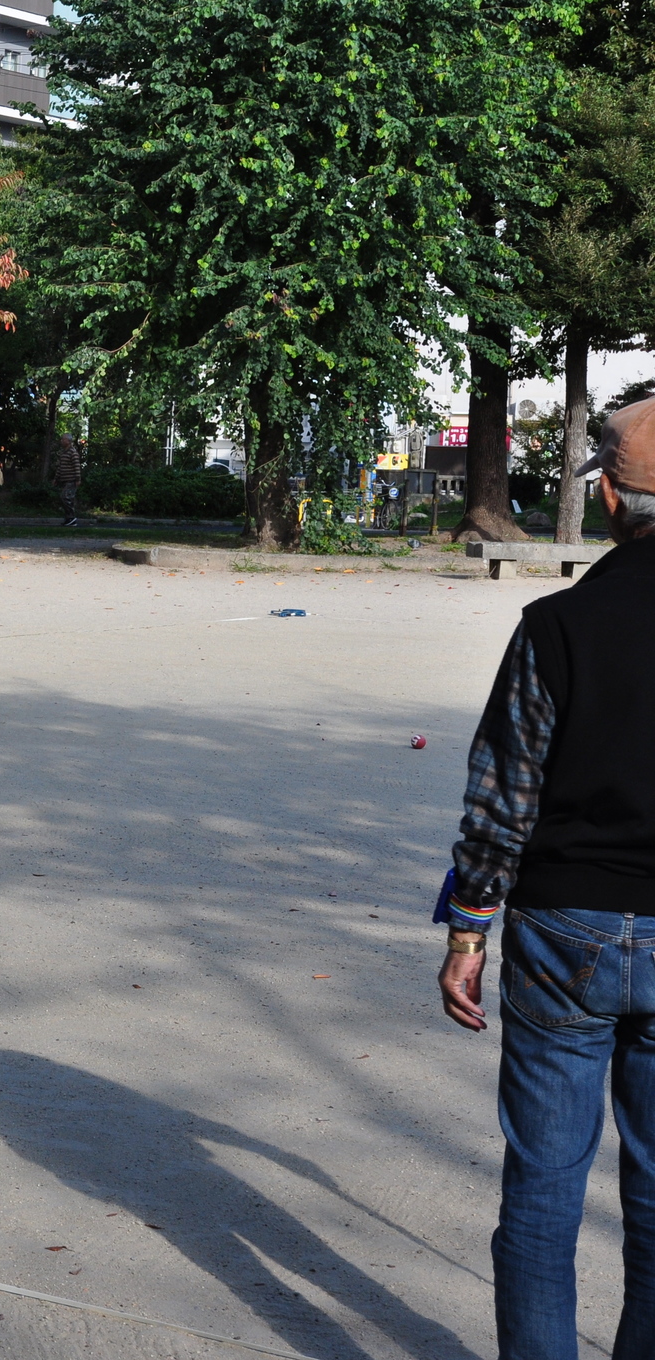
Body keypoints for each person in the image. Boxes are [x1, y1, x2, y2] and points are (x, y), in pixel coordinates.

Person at [439, 394, 655, 1359]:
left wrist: (468, 926)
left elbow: (503, 796)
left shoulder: (557, 624)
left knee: (542, 1186)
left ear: (611, 495)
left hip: (565, 921)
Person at [53, 434, 84, 526]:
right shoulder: (64, 453)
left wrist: (78, 479)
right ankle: (68, 518)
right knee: (65, 498)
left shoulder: (73, 452)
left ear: (68, 441)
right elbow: (60, 467)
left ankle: (71, 517)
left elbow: (76, 467)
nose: (61, 441)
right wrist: (56, 478)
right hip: (65, 479)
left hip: (71, 480)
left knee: (65, 497)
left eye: (63, 439)